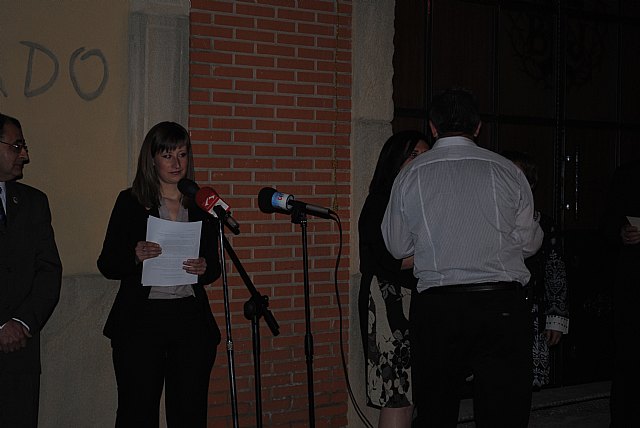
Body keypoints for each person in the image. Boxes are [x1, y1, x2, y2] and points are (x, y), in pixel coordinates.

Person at [381, 88, 543, 428]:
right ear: (478, 127)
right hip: (501, 304)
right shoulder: (507, 171)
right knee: (503, 413)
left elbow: (397, 247)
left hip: (439, 307)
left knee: (436, 412)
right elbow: (529, 244)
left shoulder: (411, 174)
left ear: (433, 128)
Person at [97, 121, 221, 427]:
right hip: (142, 320)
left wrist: (204, 268)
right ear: (152, 159)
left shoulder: (201, 206)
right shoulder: (131, 202)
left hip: (189, 319)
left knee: (189, 413)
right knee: (137, 413)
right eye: (167, 155)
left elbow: (213, 266)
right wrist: (135, 255)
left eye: (182, 154)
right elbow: (107, 263)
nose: (176, 163)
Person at [358, 130, 429, 428]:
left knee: (412, 395)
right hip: (389, 303)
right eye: (414, 155)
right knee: (398, 394)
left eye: (426, 155)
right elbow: (388, 261)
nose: (421, 162)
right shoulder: (380, 201)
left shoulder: (422, 199)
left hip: (417, 303)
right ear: (395, 160)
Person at [0, 113, 63, 427]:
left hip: (20, 354)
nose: (24, 155)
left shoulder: (34, 202)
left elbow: (49, 270)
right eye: (16, 146)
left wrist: (21, 322)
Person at [502, 150, 569, 389]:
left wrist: (555, 318)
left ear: (529, 184)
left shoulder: (545, 224)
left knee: (526, 382)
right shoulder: (491, 220)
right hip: (496, 309)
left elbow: (555, 271)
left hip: (532, 311)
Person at [601, 160, 640, 427]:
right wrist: (621, 232)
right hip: (632, 285)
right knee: (629, 359)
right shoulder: (629, 174)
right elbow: (608, 222)